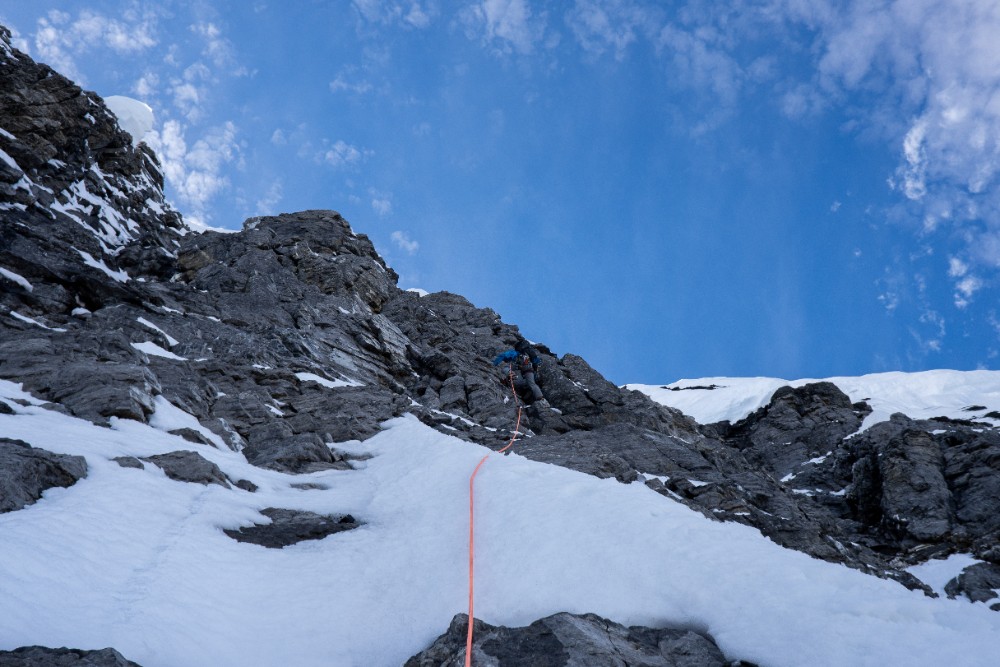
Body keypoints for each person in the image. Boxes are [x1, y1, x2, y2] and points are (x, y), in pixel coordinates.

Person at [492, 340, 548, 406]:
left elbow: (503, 356)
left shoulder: (515, 353)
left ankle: (511, 375)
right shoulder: (529, 354)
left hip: (519, 368)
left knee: (505, 368)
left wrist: (494, 364)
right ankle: (541, 399)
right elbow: (536, 362)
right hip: (529, 369)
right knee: (532, 384)